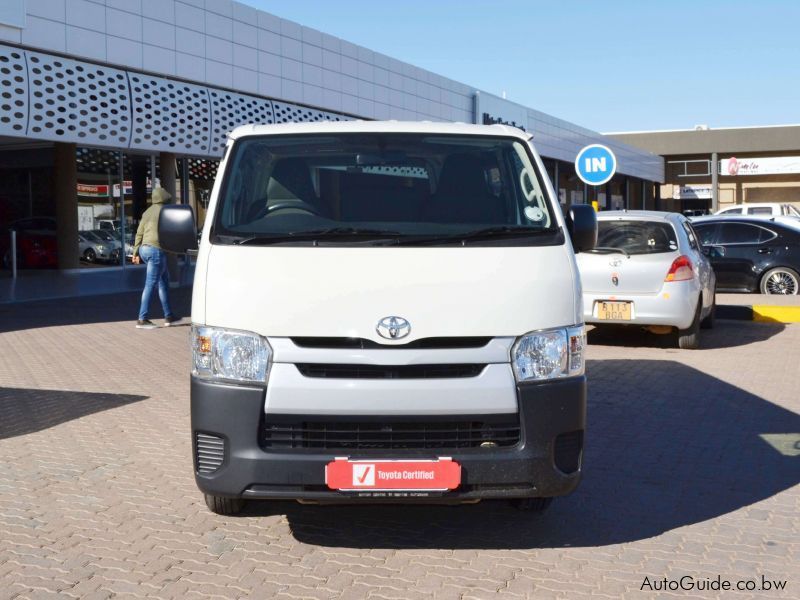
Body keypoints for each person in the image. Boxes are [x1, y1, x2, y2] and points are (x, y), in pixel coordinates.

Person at [132, 187, 180, 329]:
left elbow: (139, 233)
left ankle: (169, 316)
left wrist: (135, 253)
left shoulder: (147, 212)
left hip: (144, 249)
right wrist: (175, 249)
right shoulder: (166, 211)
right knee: (150, 284)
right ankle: (142, 318)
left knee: (163, 282)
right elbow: (170, 232)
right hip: (156, 251)